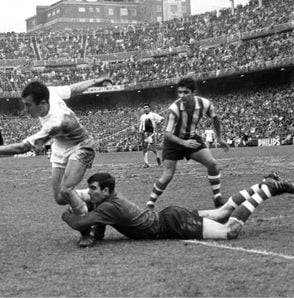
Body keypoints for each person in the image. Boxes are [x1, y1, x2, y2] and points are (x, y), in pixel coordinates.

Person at [0, 77, 111, 247]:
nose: (25, 109)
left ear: (43, 103)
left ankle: (86, 231)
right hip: (60, 147)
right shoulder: (50, 91)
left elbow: (21, 148)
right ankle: (91, 199)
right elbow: (72, 89)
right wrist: (95, 81)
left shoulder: (56, 122)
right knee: (60, 199)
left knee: (67, 190)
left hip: (81, 146)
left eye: (28, 105)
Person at [62, 172, 294, 245]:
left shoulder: (109, 206)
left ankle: (268, 189)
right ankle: (262, 184)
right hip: (168, 216)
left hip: (172, 223)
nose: (90, 192)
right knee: (222, 212)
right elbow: (97, 223)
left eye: (93, 189)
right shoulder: (107, 201)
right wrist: (95, 235)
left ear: (106, 190)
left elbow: (81, 222)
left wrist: (66, 215)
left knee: (229, 231)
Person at [146, 77, 230, 209]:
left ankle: (217, 198)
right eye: (180, 92)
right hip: (173, 142)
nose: (182, 96)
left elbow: (215, 118)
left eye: (186, 92)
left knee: (212, 163)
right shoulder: (174, 108)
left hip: (191, 138)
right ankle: (150, 204)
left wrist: (219, 138)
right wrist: (184, 143)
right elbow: (167, 134)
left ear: (194, 92)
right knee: (168, 175)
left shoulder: (204, 104)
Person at [138, 103, 164, 168]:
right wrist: (140, 130)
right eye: (144, 108)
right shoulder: (142, 116)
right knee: (144, 148)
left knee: (152, 148)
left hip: (151, 133)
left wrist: (158, 123)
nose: (145, 109)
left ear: (149, 108)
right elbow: (141, 124)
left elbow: (162, 119)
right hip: (144, 133)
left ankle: (157, 155)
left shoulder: (153, 114)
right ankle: (146, 163)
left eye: (146, 107)